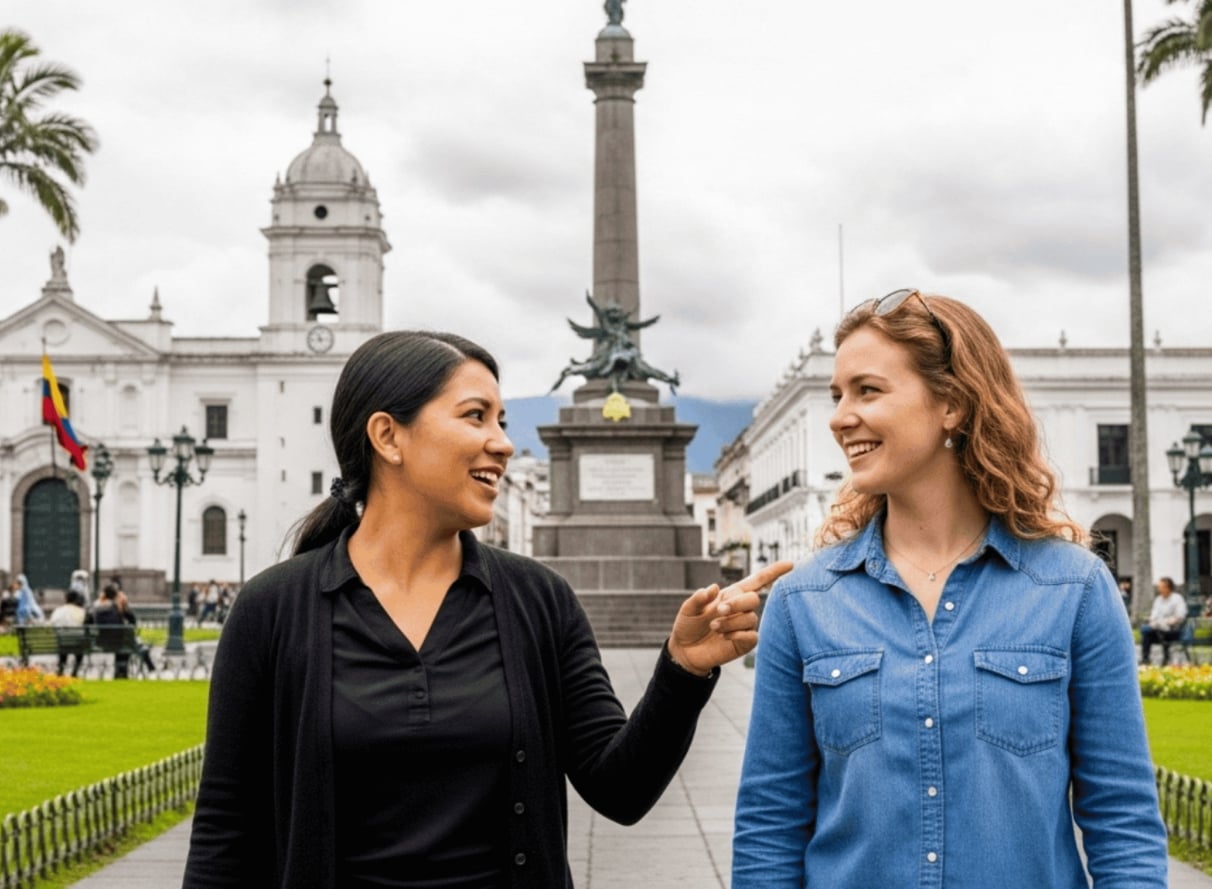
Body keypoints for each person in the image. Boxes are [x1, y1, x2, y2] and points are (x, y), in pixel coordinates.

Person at [181, 330, 791, 889]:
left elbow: (620, 788)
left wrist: (683, 669)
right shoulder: (271, 611)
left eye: (500, 420)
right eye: (476, 416)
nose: (501, 443)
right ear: (388, 436)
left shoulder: (538, 600)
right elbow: (225, 832)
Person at [732, 290, 1167, 889]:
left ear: (953, 404)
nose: (838, 417)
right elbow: (769, 826)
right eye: (837, 396)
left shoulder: (1073, 589)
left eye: (868, 390)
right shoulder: (804, 601)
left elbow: (1123, 821)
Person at [1140, 576, 1189, 664]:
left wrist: (1170, 621)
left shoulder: (1177, 599)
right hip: (1159, 628)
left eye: (1161, 587)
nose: (1158, 589)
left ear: (1168, 588)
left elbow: (1180, 615)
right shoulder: (1158, 600)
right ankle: (1145, 659)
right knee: (1146, 633)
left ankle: (1165, 657)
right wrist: (1153, 621)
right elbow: (1153, 616)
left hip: (1173, 630)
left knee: (1148, 631)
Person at [48, 589, 89, 676]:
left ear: (66, 598)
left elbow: (52, 623)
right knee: (79, 648)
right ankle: (75, 671)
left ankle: (61, 669)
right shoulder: (81, 611)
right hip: (77, 642)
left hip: (62, 642)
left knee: (63, 645)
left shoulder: (58, 611)